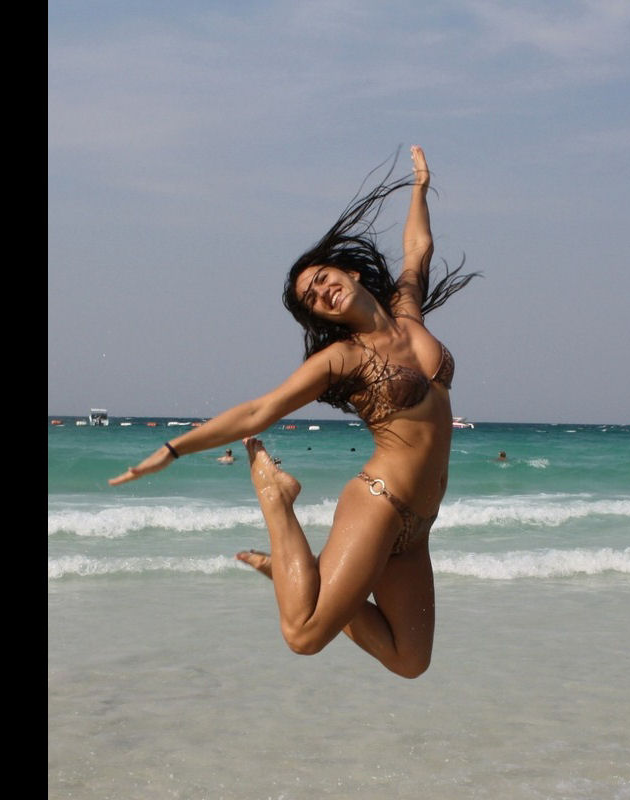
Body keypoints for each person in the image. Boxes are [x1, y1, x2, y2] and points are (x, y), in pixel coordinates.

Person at [109, 146, 479, 677]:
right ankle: (276, 499)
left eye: (323, 279)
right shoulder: (342, 358)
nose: (322, 293)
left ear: (351, 273)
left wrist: (419, 187)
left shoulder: (408, 312)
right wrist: (172, 449)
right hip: (380, 504)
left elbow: (417, 249)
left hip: (420, 525)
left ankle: (290, 573)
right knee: (303, 635)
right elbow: (259, 410)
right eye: (311, 298)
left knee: (410, 661)